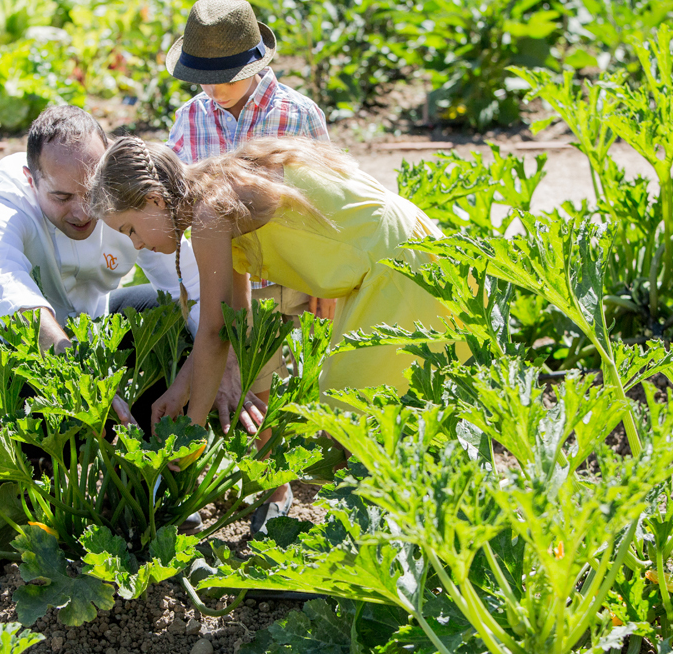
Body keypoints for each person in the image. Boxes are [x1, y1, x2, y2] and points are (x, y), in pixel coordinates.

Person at [89, 134, 463, 434]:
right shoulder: (219, 189)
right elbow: (234, 317)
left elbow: (214, 332)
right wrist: (181, 388)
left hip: (394, 267)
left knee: (356, 418)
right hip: (399, 251)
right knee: (404, 411)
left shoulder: (209, 215)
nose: (136, 244)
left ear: (155, 200)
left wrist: (191, 430)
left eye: (130, 229)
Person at [0, 106, 243, 437]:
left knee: (167, 316)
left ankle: (147, 454)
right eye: (62, 196)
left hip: (86, 333)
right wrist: (79, 373)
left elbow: (188, 285)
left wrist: (222, 363)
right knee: (53, 425)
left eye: (91, 192)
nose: (83, 210)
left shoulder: (122, 186)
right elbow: (7, 294)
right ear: (31, 180)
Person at [166, 0, 335, 322]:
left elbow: (328, 199)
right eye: (205, 79)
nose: (216, 91)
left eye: (229, 79)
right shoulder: (191, 118)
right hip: (234, 282)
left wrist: (326, 279)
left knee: (312, 366)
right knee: (254, 370)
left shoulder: (296, 114)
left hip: (299, 272)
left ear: (255, 66)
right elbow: (176, 188)